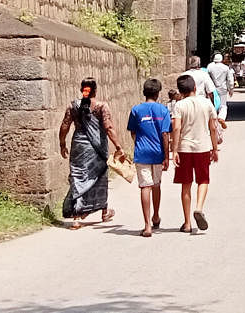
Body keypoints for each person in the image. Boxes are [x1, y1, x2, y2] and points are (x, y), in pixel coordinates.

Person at [59, 78, 125, 228]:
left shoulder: (73, 106)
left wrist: (62, 144)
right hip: (97, 149)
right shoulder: (102, 106)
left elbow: (64, 125)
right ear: (95, 90)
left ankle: (76, 217)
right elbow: (108, 128)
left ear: (82, 89)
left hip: (79, 147)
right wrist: (118, 147)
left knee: (78, 178)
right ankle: (104, 212)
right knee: (100, 177)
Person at [171, 74, 220, 234]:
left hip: (185, 148)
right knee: (203, 180)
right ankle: (199, 208)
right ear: (194, 88)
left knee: (186, 184)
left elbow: (176, 128)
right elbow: (213, 128)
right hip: (203, 147)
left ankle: (186, 223)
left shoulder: (179, 106)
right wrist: (215, 148)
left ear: (180, 90)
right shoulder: (206, 103)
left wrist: (175, 149)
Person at [127, 78, 171, 238]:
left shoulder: (136, 110)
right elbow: (165, 134)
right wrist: (167, 156)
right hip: (158, 153)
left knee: (145, 186)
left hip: (142, 153)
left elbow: (132, 132)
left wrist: (139, 143)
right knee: (156, 185)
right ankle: (156, 216)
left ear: (144, 92)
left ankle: (147, 226)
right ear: (158, 93)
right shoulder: (163, 110)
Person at [206, 53, 234, 124]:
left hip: (212, 88)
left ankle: (213, 117)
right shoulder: (225, 68)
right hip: (222, 88)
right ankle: (221, 117)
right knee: (223, 105)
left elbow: (207, 78)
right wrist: (231, 89)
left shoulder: (209, 67)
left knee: (212, 103)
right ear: (221, 59)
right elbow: (230, 79)